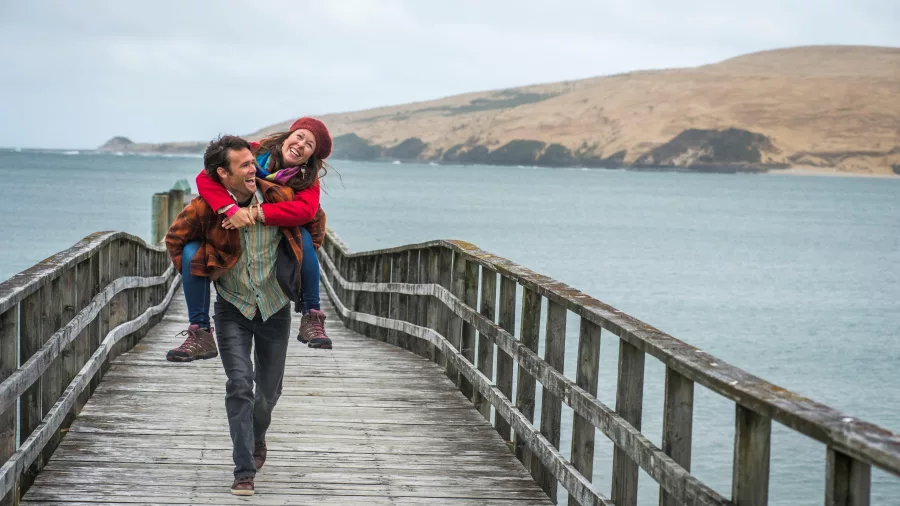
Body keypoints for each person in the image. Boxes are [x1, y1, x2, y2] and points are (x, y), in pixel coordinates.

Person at [166, 135, 318, 495]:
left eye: (254, 162)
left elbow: (315, 224)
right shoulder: (205, 208)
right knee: (239, 385)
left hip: (274, 307)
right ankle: (243, 470)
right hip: (231, 307)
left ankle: (258, 435)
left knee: (267, 392)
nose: (256, 168)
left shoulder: (278, 197)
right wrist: (204, 265)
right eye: (246, 165)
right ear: (224, 174)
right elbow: (176, 241)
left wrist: (299, 269)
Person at [165, 118, 333, 363]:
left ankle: (312, 315)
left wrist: (256, 213)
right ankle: (200, 331)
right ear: (288, 136)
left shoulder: (307, 178)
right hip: (233, 235)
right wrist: (230, 209)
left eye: (310, 145)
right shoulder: (255, 152)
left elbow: (306, 212)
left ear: (311, 156)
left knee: (304, 236)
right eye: (299, 136)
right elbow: (204, 178)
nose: (300, 145)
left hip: (281, 239)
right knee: (192, 251)